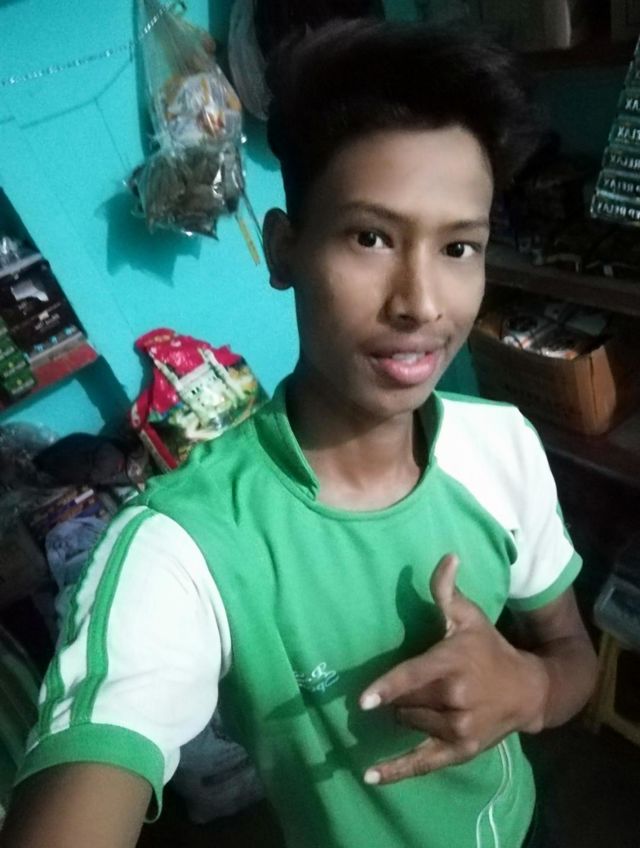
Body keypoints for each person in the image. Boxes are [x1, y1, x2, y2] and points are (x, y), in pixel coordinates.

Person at [2, 19, 597, 848]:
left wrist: (527, 688)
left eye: (460, 247)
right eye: (371, 238)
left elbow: (573, 658)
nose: (422, 304)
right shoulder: (186, 544)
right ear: (285, 250)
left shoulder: (502, 447)